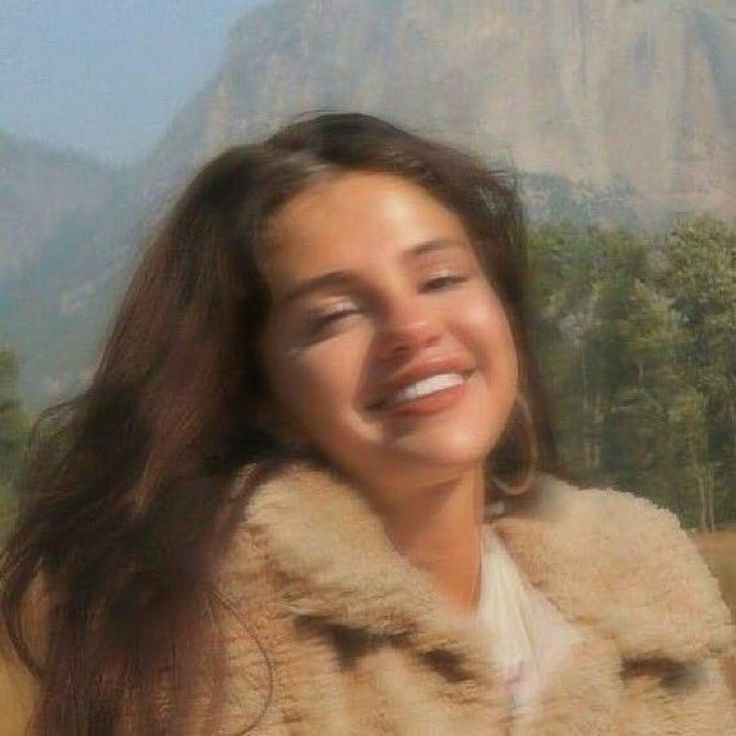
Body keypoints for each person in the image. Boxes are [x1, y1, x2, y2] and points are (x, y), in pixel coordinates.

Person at [1, 113, 734, 735]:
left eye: (442, 278)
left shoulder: (652, 606)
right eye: (335, 315)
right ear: (259, 391)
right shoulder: (202, 654)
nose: (412, 328)